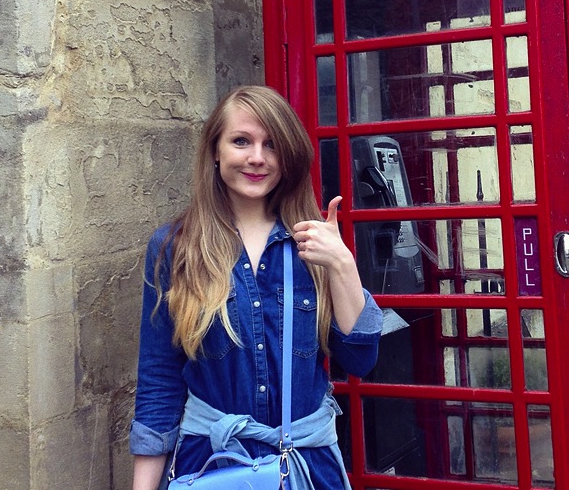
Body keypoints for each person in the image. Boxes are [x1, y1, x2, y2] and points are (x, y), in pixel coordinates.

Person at [130, 85, 382, 490]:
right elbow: (159, 380)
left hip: (306, 468)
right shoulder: (175, 247)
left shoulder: (313, 244)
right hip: (211, 465)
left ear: (288, 156)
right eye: (241, 141)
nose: (257, 158)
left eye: (271, 145)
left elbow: (360, 360)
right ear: (215, 150)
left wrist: (342, 264)